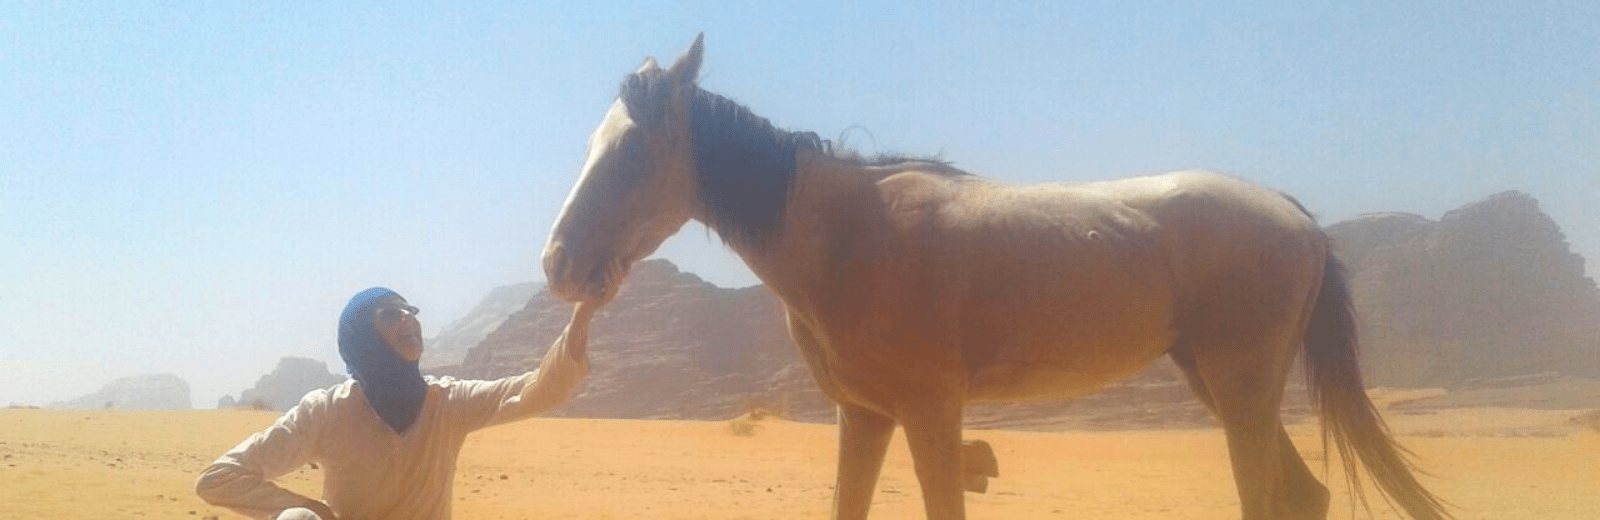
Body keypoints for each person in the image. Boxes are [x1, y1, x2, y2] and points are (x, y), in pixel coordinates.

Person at [196, 287, 593, 520]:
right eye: (390, 314)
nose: (409, 320)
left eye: (411, 312)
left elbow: (543, 390)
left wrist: (584, 311)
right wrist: (316, 513)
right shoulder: (327, 411)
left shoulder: (449, 402)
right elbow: (218, 478)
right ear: (361, 336)